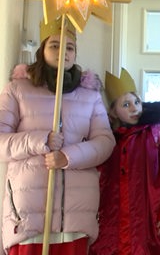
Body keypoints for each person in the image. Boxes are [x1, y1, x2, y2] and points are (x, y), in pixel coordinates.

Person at [0, 17, 115, 254]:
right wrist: (40, 141)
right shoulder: (17, 90)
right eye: (55, 45)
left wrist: (68, 156)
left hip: (75, 215)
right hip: (27, 215)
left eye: (70, 47)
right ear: (42, 50)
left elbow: (105, 142)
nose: (63, 51)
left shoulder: (90, 96)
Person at [89, 68, 160, 254]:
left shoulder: (158, 132)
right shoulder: (107, 138)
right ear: (113, 112)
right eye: (126, 105)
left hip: (151, 215)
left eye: (136, 102)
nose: (134, 108)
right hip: (112, 217)